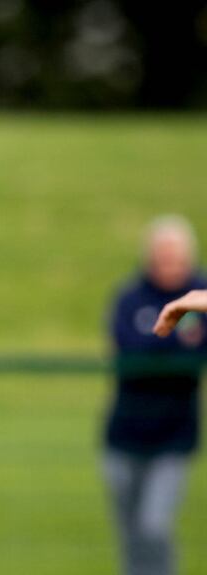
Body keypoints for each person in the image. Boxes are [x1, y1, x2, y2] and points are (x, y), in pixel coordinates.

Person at [104, 215, 206, 575]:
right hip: (125, 432)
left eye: (176, 257)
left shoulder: (198, 294)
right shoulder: (130, 297)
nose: (169, 265)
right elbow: (128, 348)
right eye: (162, 256)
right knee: (131, 533)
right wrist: (176, 341)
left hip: (174, 436)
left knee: (154, 526)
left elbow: (194, 354)